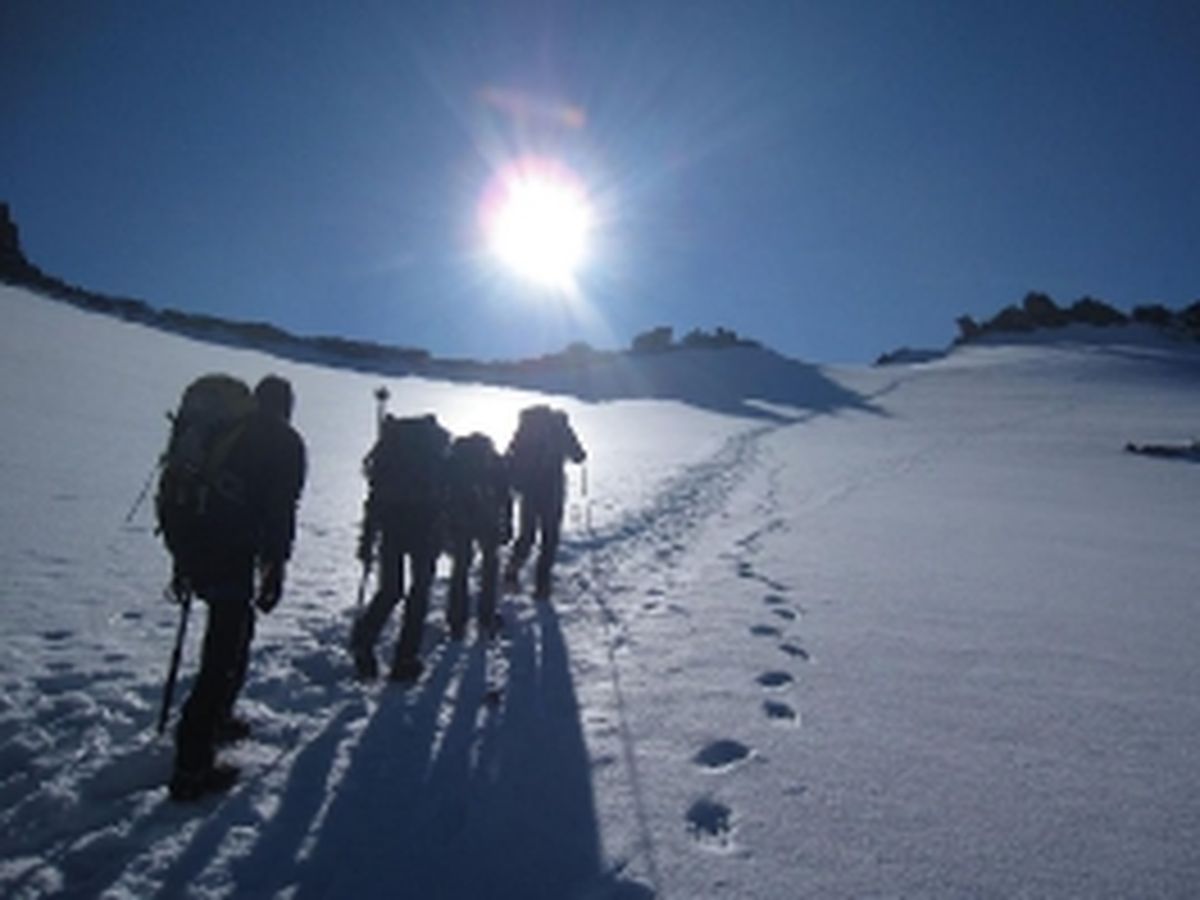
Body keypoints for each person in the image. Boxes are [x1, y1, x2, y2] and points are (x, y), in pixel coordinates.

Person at [168, 375, 306, 802]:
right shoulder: (283, 440)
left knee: (234, 631)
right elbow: (280, 508)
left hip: (194, 540)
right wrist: (275, 566)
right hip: (231, 550)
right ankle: (192, 766)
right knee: (223, 650)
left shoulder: (224, 433)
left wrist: (181, 559)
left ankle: (218, 719)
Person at [350, 414, 449, 682]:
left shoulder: (391, 450)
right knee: (419, 594)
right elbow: (446, 498)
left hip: (392, 526)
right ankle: (405, 659)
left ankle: (364, 640)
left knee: (390, 590)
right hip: (425, 530)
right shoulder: (438, 451)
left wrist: (367, 540)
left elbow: (375, 497)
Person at [503, 405, 586, 600]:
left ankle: (511, 573)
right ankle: (542, 587)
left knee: (526, 535)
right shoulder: (560, 427)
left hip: (529, 489)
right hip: (552, 490)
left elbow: (512, 453)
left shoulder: (526, 427)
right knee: (550, 539)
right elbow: (578, 455)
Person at [444, 432, 513, 640]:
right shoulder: (494, 461)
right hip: (487, 520)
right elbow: (504, 495)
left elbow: (443, 491)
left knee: (460, 568)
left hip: (459, 520)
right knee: (490, 567)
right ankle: (487, 618)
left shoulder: (454, 461)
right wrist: (507, 524)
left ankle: (456, 623)